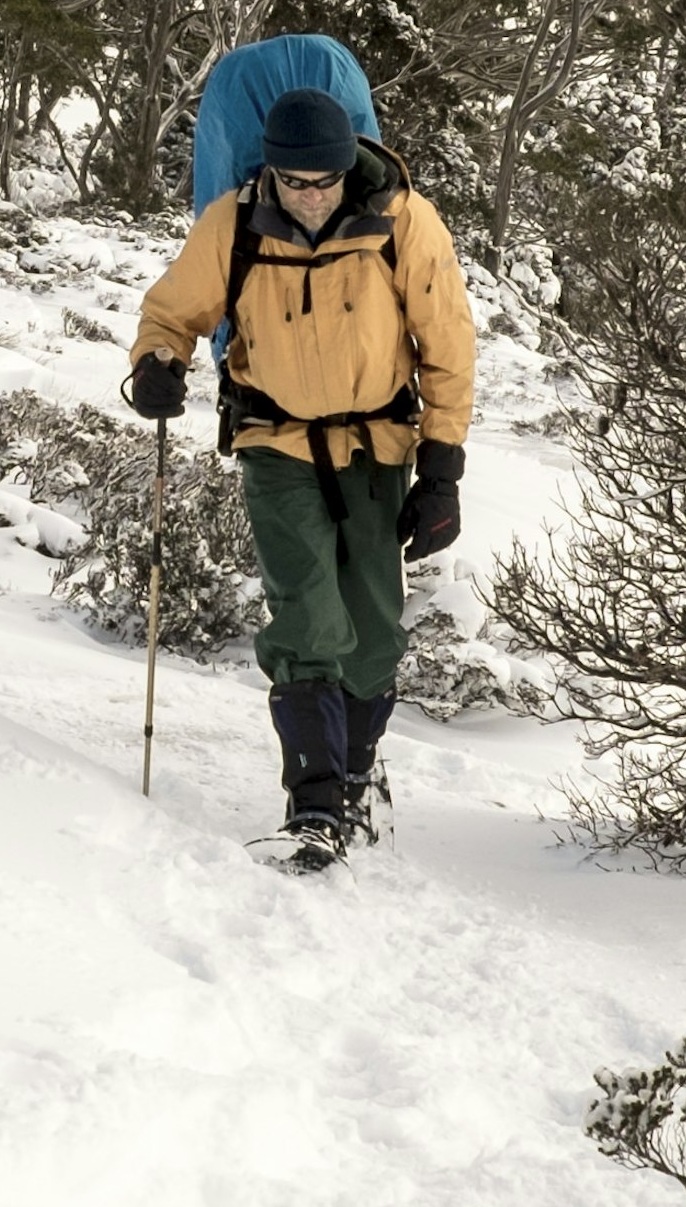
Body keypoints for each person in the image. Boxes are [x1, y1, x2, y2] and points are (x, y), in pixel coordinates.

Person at [123, 86, 475, 866]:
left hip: (378, 447)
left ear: (350, 165)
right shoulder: (236, 224)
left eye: (326, 179)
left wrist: (442, 469)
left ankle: (353, 777)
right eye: (296, 182)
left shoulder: (402, 221)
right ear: (272, 172)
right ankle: (314, 804)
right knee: (309, 622)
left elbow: (447, 340)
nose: (313, 196)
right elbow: (172, 311)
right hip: (275, 443)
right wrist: (156, 363)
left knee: (374, 637)